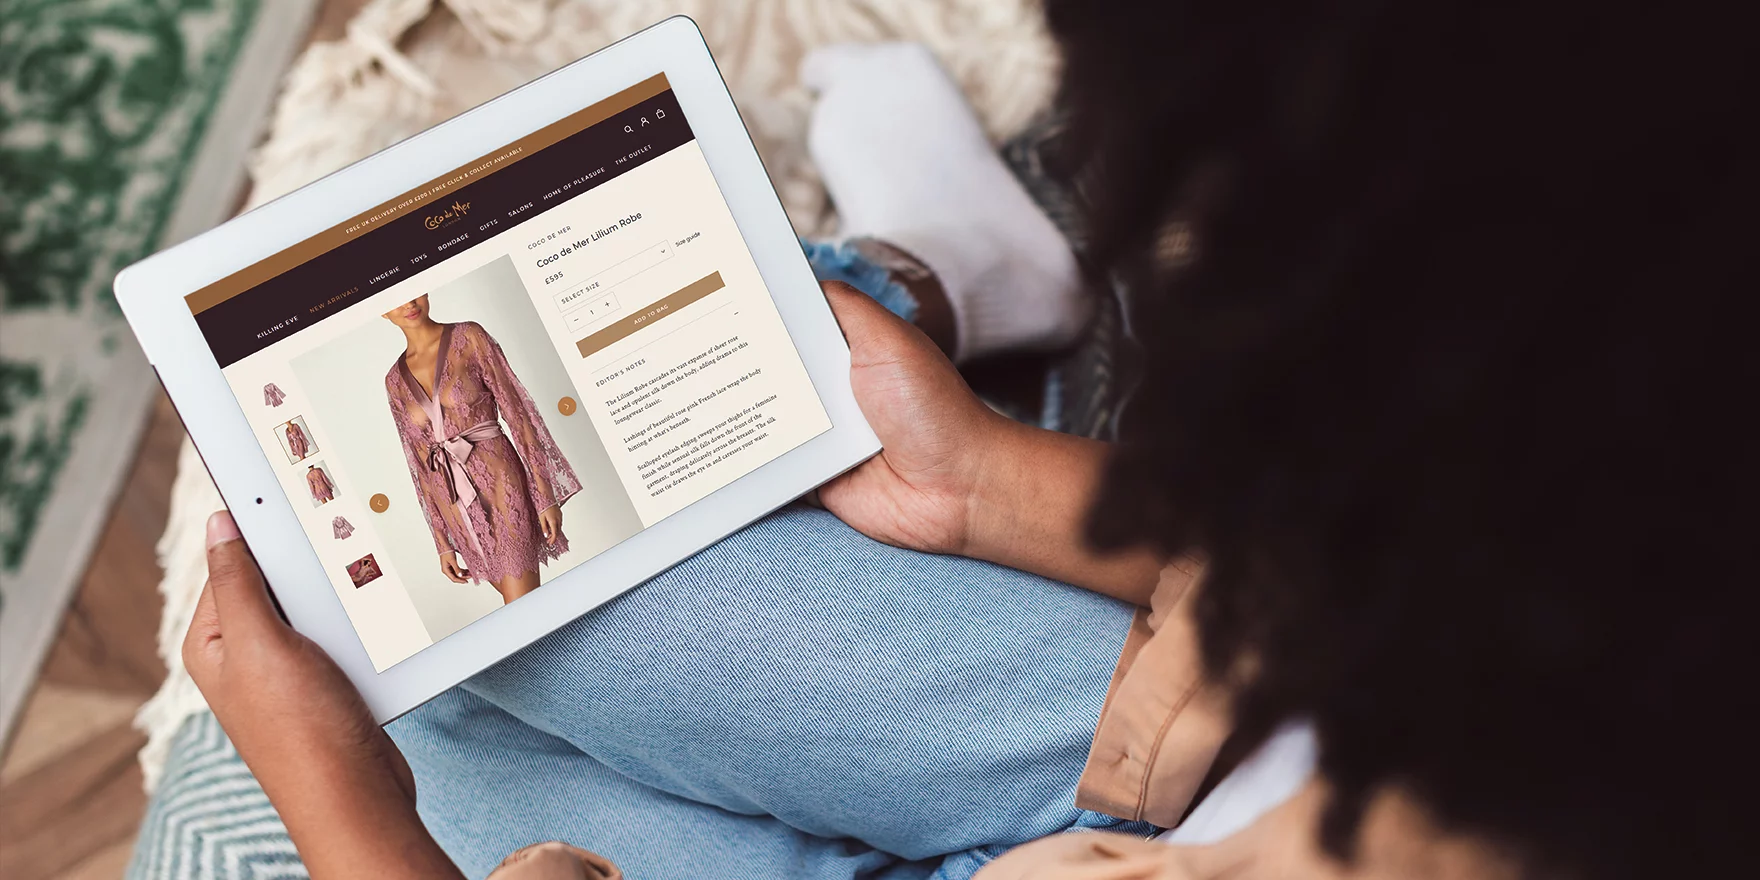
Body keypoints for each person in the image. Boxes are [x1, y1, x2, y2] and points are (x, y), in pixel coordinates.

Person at [183, 3, 1751, 879]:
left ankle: (920, 268)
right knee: (446, 631)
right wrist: (987, 488)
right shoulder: (1625, 586)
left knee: (432, 688)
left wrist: (350, 831)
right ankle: (933, 278)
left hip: (1182, 794)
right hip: (1178, 776)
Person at [382, 296, 581, 603]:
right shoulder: (394, 381)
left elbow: (519, 414)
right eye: (393, 300)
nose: (408, 303)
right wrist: (442, 542)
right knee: (525, 611)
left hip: (502, 484)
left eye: (412, 290)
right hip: (455, 505)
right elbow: (419, 465)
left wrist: (543, 495)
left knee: (522, 606)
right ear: (381, 312)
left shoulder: (469, 336)